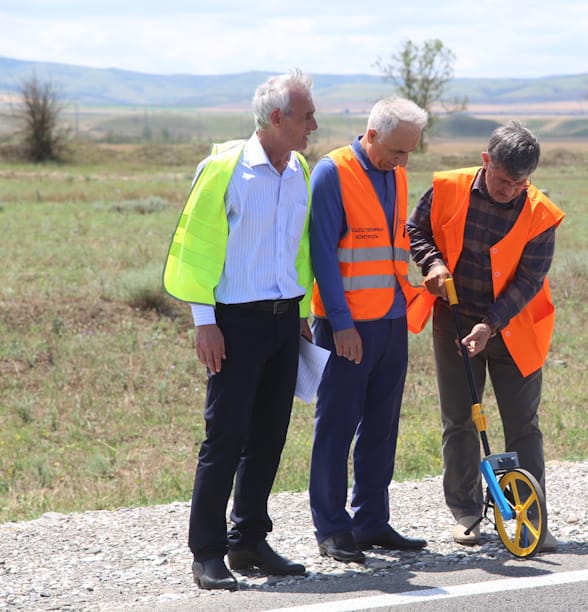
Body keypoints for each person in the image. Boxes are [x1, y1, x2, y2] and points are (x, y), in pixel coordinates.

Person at [162, 68, 317, 590]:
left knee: (269, 436)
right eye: (306, 115)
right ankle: (207, 552)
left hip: (282, 323)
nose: (313, 124)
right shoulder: (224, 168)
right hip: (233, 324)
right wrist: (204, 323)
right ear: (277, 118)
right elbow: (197, 249)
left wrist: (300, 318)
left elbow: (296, 250)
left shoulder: (298, 168)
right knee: (224, 438)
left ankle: (248, 539)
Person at [406, 120, 565, 550]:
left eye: (520, 183)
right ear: (485, 161)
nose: (510, 190)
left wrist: (490, 324)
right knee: (458, 421)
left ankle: (530, 519)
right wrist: (432, 263)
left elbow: (529, 281)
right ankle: (468, 514)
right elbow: (415, 229)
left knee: (523, 426)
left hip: (514, 328)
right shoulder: (448, 188)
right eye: (503, 179)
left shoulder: (540, 213)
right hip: (453, 321)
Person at [308, 96, 429, 564]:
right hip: (347, 327)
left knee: (382, 427)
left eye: (410, 153)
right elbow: (322, 256)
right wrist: (341, 324)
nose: (403, 161)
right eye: (398, 151)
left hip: (392, 322)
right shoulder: (331, 172)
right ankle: (333, 529)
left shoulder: (396, 173)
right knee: (336, 428)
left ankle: (371, 522)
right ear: (372, 134)